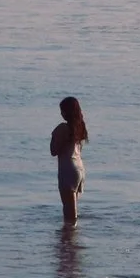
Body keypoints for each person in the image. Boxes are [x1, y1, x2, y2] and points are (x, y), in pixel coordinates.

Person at [49, 96, 88, 225]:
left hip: (67, 169)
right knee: (73, 209)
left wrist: (54, 136)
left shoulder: (63, 128)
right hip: (79, 168)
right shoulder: (80, 127)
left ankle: (69, 239)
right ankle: (72, 238)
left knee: (68, 211)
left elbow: (53, 151)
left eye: (62, 110)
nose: (61, 113)